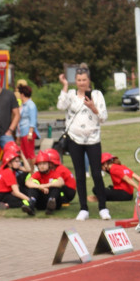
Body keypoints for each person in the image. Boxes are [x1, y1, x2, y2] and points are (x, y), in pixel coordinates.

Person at [57, 65, 110, 221]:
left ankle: (103, 207)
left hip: (93, 139)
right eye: (79, 80)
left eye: (84, 80)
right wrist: (65, 86)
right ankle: (83, 208)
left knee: (96, 174)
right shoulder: (71, 95)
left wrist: (93, 108)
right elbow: (61, 106)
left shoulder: (97, 94)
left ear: (89, 80)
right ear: (76, 81)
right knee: (79, 175)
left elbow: (104, 117)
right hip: (75, 139)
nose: (81, 83)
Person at [26, 149, 76, 214]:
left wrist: (47, 185)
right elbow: (27, 182)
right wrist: (40, 186)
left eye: (44, 163)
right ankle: (31, 205)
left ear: (49, 164)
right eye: (40, 164)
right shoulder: (37, 174)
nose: (42, 166)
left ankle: (51, 203)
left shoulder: (55, 172)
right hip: (42, 202)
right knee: (32, 188)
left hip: (56, 201)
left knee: (55, 187)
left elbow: (61, 182)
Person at [0, 143, 35, 215]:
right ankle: (6, 205)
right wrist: (29, 199)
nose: (19, 163)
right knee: (22, 201)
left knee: (25, 176)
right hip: (2, 195)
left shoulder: (8, 168)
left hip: (3, 193)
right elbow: (16, 192)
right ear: (9, 163)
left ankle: (5, 203)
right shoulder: (8, 172)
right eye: (16, 161)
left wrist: (22, 155)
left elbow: (28, 170)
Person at [16, 84, 40, 172]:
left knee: (30, 153)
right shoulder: (23, 105)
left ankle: (34, 170)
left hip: (28, 132)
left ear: (22, 94)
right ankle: (29, 170)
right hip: (22, 132)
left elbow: (33, 120)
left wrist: (30, 132)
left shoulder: (31, 105)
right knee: (24, 154)